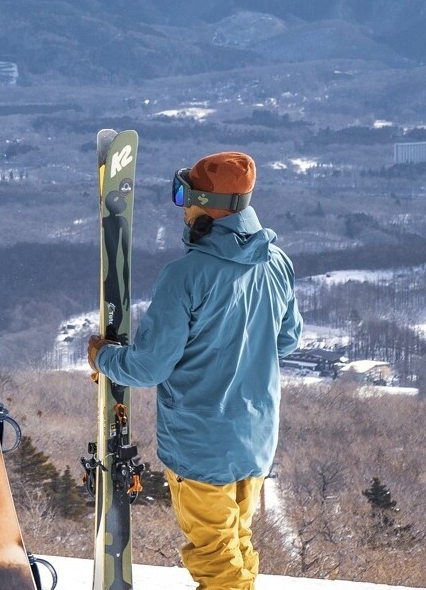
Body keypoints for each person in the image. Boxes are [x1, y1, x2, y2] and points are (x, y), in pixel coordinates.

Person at [87, 151, 302, 590]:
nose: (182, 206)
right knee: (235, 544)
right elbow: (287, 340)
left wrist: (103, 357)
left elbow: (148, 367)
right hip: (255, 441)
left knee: (217, 563)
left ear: (208, 205)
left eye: (184, 195)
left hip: (201, 446)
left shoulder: (185, 275)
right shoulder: (276, 263)